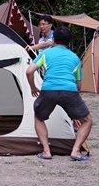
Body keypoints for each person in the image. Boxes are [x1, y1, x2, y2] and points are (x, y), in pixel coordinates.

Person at [25, 26, 92, 161]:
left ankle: (46, 152)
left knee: (39, 117)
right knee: (87, 121)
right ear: (68, 42)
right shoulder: (75, 58)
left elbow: (29, 71)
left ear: (54, 39)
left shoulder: (45, 54)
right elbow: (79, 85)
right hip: (69, 91)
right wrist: (73, 105)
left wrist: (33, 88)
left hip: (49, 90)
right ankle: (76, 151)